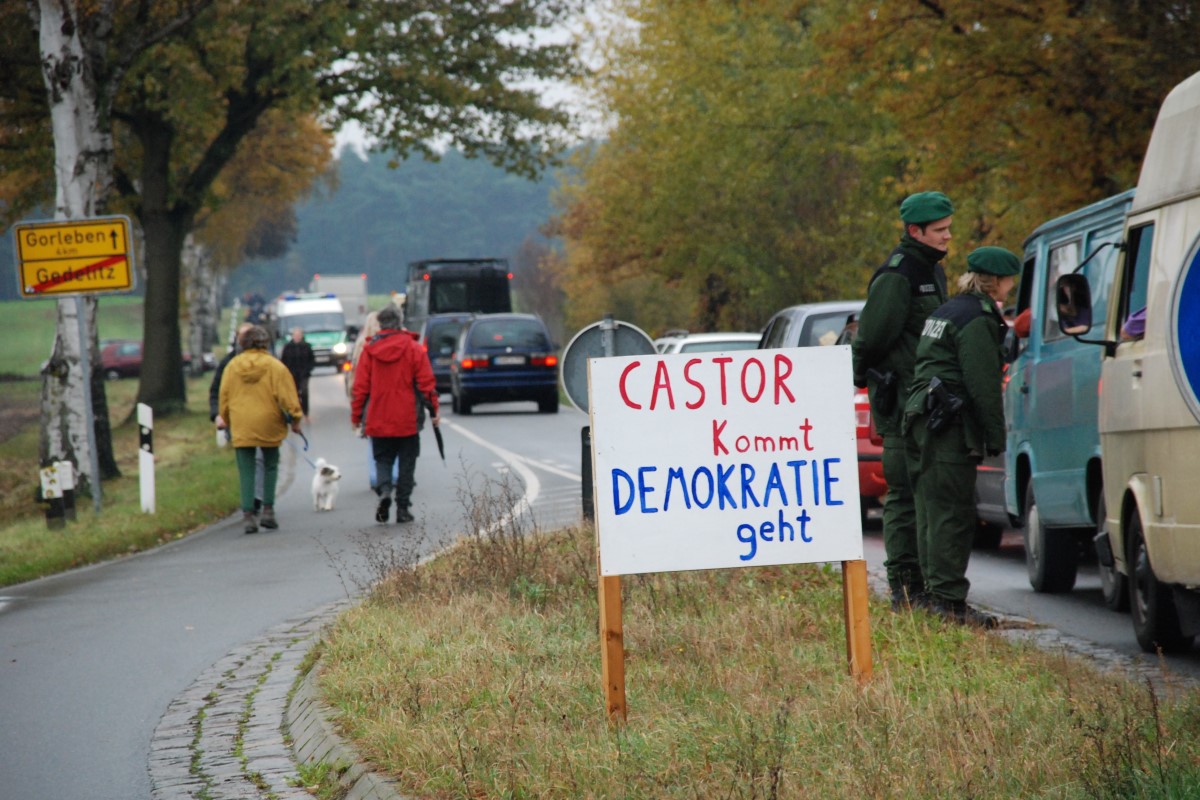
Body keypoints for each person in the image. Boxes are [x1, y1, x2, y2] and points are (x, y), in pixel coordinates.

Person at [902, 246, 1020, 627]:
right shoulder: (977, 318)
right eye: (1009, 280)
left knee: (930, 510)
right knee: (953, 513)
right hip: (948, 426)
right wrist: (996, 437)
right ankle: (949, 602)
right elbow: (982, 383)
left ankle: (931, 595)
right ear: (995, 281)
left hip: (922, 419)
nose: (1011, 286)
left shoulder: (946, 311)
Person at [851, 190, 954, 610]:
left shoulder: (932, 270)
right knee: (904, 498)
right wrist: (861, 378)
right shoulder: (898, 276)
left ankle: (928, 589)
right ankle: (906, 591)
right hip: (901, 405)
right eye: (940, 230)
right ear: (915, 231)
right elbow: (871, 339)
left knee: (929, 497)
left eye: (948, 228)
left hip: (928, 404)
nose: (948, 236)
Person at [350, 306, 440, 524]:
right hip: (408, 417)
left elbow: (360, 388)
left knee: (383, 459)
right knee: (407, 463)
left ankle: (384, 491)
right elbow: (426, 384)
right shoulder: (413, 348)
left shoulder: (369, 351)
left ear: (380, 324)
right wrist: (434, 410)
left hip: (378, 416)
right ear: (400, 322)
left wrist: (357, 417)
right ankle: (403, 508)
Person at [217, 325, 303, 533]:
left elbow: (224, 396)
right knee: (270, 465)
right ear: (266, 343)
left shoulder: (232, 366)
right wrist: (295, 419)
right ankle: (268, 511)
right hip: (269, 421)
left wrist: (226, 419)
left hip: (241, 422)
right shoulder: (275, 366)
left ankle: (248, 515)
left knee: (246, 469)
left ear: (243, 343)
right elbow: (288, 396)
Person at [210, 322, 265, 513]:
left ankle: (256, 498)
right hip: (236, 420)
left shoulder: (267, 362)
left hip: (262, 418)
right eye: (243, 336)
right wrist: (218, 415)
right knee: (247, 460)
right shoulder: (228, 364)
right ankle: (251, 497)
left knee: (259, 459)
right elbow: (217, 392)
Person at [280, 327, 316, 418]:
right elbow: (283, 360)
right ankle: (296, 412)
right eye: (295, 335)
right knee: (294, 394)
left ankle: (306, 412)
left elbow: (312, 359)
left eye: (299, 335)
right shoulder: (288, 347)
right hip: (292, 374)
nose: (297, 337)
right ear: (292, 336)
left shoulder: (307, 346)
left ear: (302, 336)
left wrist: (309, 369)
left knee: (304, 392)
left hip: (304, 374)